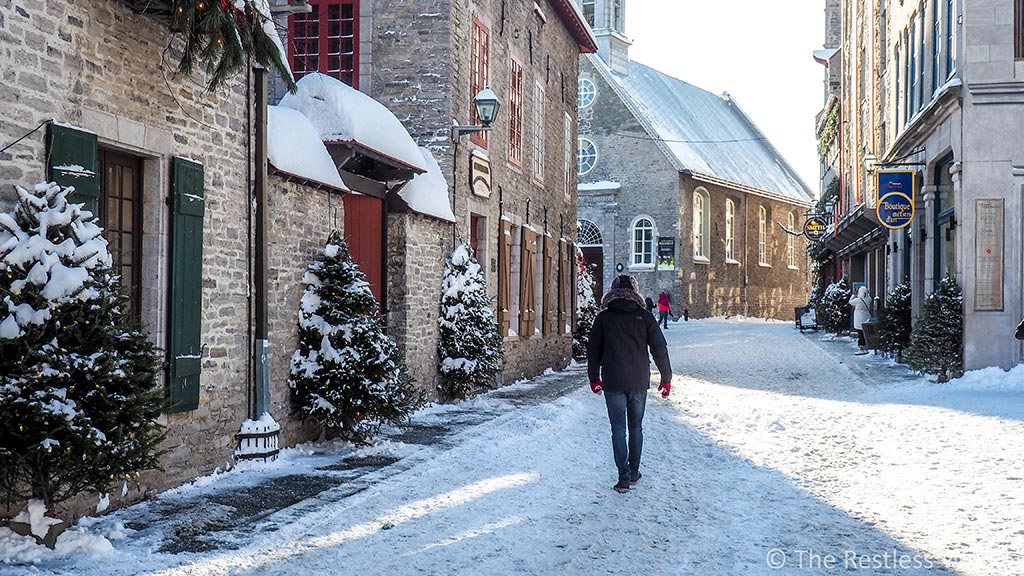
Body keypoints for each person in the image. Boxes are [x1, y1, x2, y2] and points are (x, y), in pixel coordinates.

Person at [588, 275, 672, 493]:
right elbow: (659, 348)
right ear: (636, 293)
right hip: (638, 379)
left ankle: (623, 477)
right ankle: (634, 471)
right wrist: (666, 377)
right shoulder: (644, 317)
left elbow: (593, 350)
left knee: (618, 429)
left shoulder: (603, 318)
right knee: (636, 427)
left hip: (613, 380)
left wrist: (594, 377)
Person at [849, 286, 873, 355]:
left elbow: (850, 302)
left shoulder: (857, 300)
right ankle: (866, 347)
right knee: (865, 333)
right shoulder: (869, 299)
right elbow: (868, 296)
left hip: (859, 319)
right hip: (866, 317)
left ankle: (861, 348)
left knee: (860, 334)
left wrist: (853, 294)